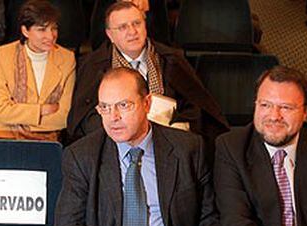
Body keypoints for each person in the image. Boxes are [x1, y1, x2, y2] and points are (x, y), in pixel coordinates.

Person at [54, 67, 220, 226]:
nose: (113, 117)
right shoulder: (82, 156)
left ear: (147, 104)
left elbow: (209, 220)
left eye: (123, 105)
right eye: (105, 107)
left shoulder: (188, 149)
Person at [67, 1, 228, 152]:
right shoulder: (93, 65)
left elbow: (194, 107)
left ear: (145, 25)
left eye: (137, 23)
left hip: (167, 145)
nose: (132, 32)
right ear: (110, 35)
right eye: (123, 27)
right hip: (115, 146)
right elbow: (84, 119)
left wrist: (177, 126)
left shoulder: (171, 59)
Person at [214, 66, 307, 226]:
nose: (274, 116)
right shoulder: (231, 147)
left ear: (306, 111)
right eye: (265, 105)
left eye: (286, 107)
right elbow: (236, 223)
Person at [0, 0, 76, 141]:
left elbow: (64, 117)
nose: (51, 36)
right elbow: (1, 112)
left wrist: (19, 119)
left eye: (54, 28)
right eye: (42, 30)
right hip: (5, 135)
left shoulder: (67, 58)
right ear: (25, 31)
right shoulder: (4, 55)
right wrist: (40, 111)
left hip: (47, 139)